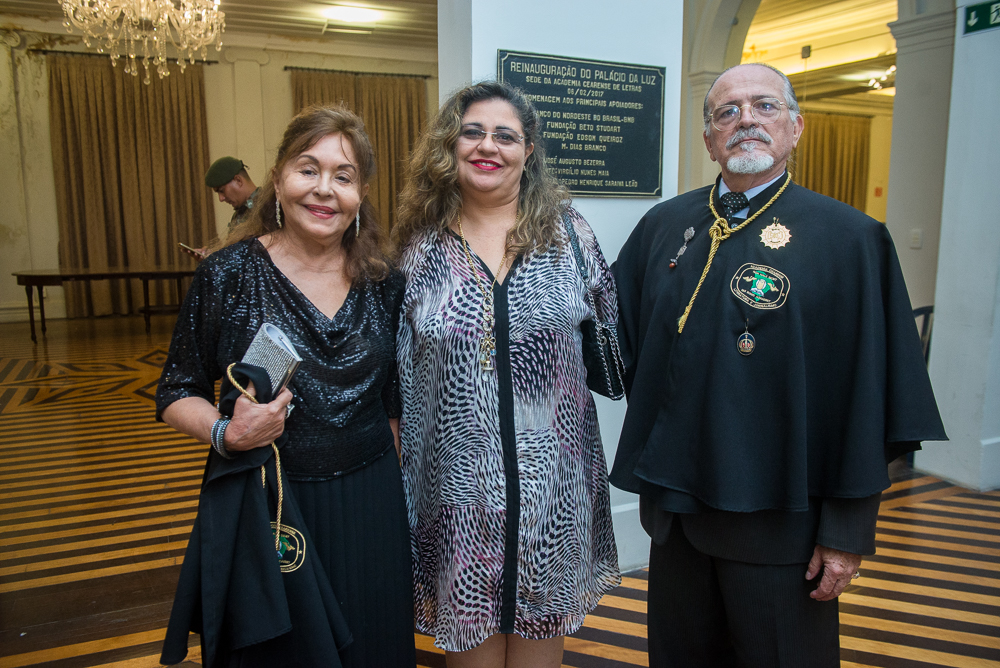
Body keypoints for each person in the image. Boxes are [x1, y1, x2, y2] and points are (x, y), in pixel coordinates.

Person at [611, 62, 947, 668]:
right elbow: (609, 336)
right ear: (709, 139)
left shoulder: (851, 240)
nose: (746, 120)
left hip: (783, 528)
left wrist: (846, 530)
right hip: (678, 518)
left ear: (796, 127)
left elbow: (868, 395)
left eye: (765, 106)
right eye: (727, 111)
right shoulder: (665, 225)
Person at [156, 105, 416, 667]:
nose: (324, 189)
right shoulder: (227, 275)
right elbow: (176, 389)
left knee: (374, 647)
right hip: (268, 500)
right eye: (308, 169)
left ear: (360, 194)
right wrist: (226, 432)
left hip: (370, 502)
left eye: (344, 176)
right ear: (277, 180)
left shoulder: (384, 281)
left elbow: (393, 403)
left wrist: (390, 501)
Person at [394, 80, 621, 667]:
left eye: (505, 135)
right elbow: (393, 371)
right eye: (472, 132)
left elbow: (612, 339)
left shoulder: (569, 236)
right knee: (469, 647)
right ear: (451, 144)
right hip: (456, 495)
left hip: (553, 494)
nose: (487, 146)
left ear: (528, 150)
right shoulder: (417, 248)